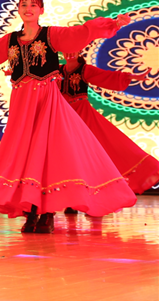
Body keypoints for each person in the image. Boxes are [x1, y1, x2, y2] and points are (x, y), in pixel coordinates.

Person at [0, 0, 136, 233]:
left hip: (46, 100)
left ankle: (47, 213)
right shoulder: (10, 40)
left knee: (47, 153)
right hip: (21, 103)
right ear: (18, 9)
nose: (28, 8)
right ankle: (31, 211)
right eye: (24, 4)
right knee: (25, 154)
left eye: (33, 5)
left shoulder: (51, 35)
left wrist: (113, 24)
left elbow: (81, 33)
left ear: (41, 10)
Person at [60, 51, 159, 194]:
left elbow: (107, 76)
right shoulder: (58, 70)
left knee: (97, 147)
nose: (70, 54)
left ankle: (94, 189)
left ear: (78, 52)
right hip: (63, 112)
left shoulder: (85, 70)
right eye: (67, 51)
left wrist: (133, 76)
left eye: (73, 50)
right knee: (65, 151)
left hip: (82, 112)